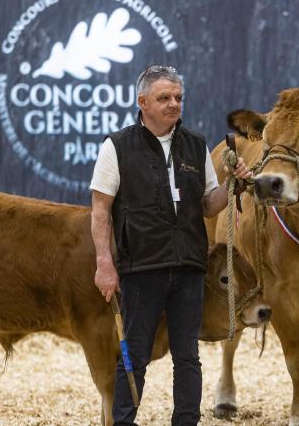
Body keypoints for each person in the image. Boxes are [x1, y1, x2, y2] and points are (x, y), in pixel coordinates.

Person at [90, 64, 250, 425]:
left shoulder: (196, 146)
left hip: (189, 269)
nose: (174, 104)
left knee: (187, 357)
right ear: (142, 102)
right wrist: (104, 264)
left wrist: (233, 186)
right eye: (164, 98)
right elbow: (100, 210)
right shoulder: (116, 147)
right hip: (141, 269)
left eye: (178, 97)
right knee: (134, 355)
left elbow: (209, 205)